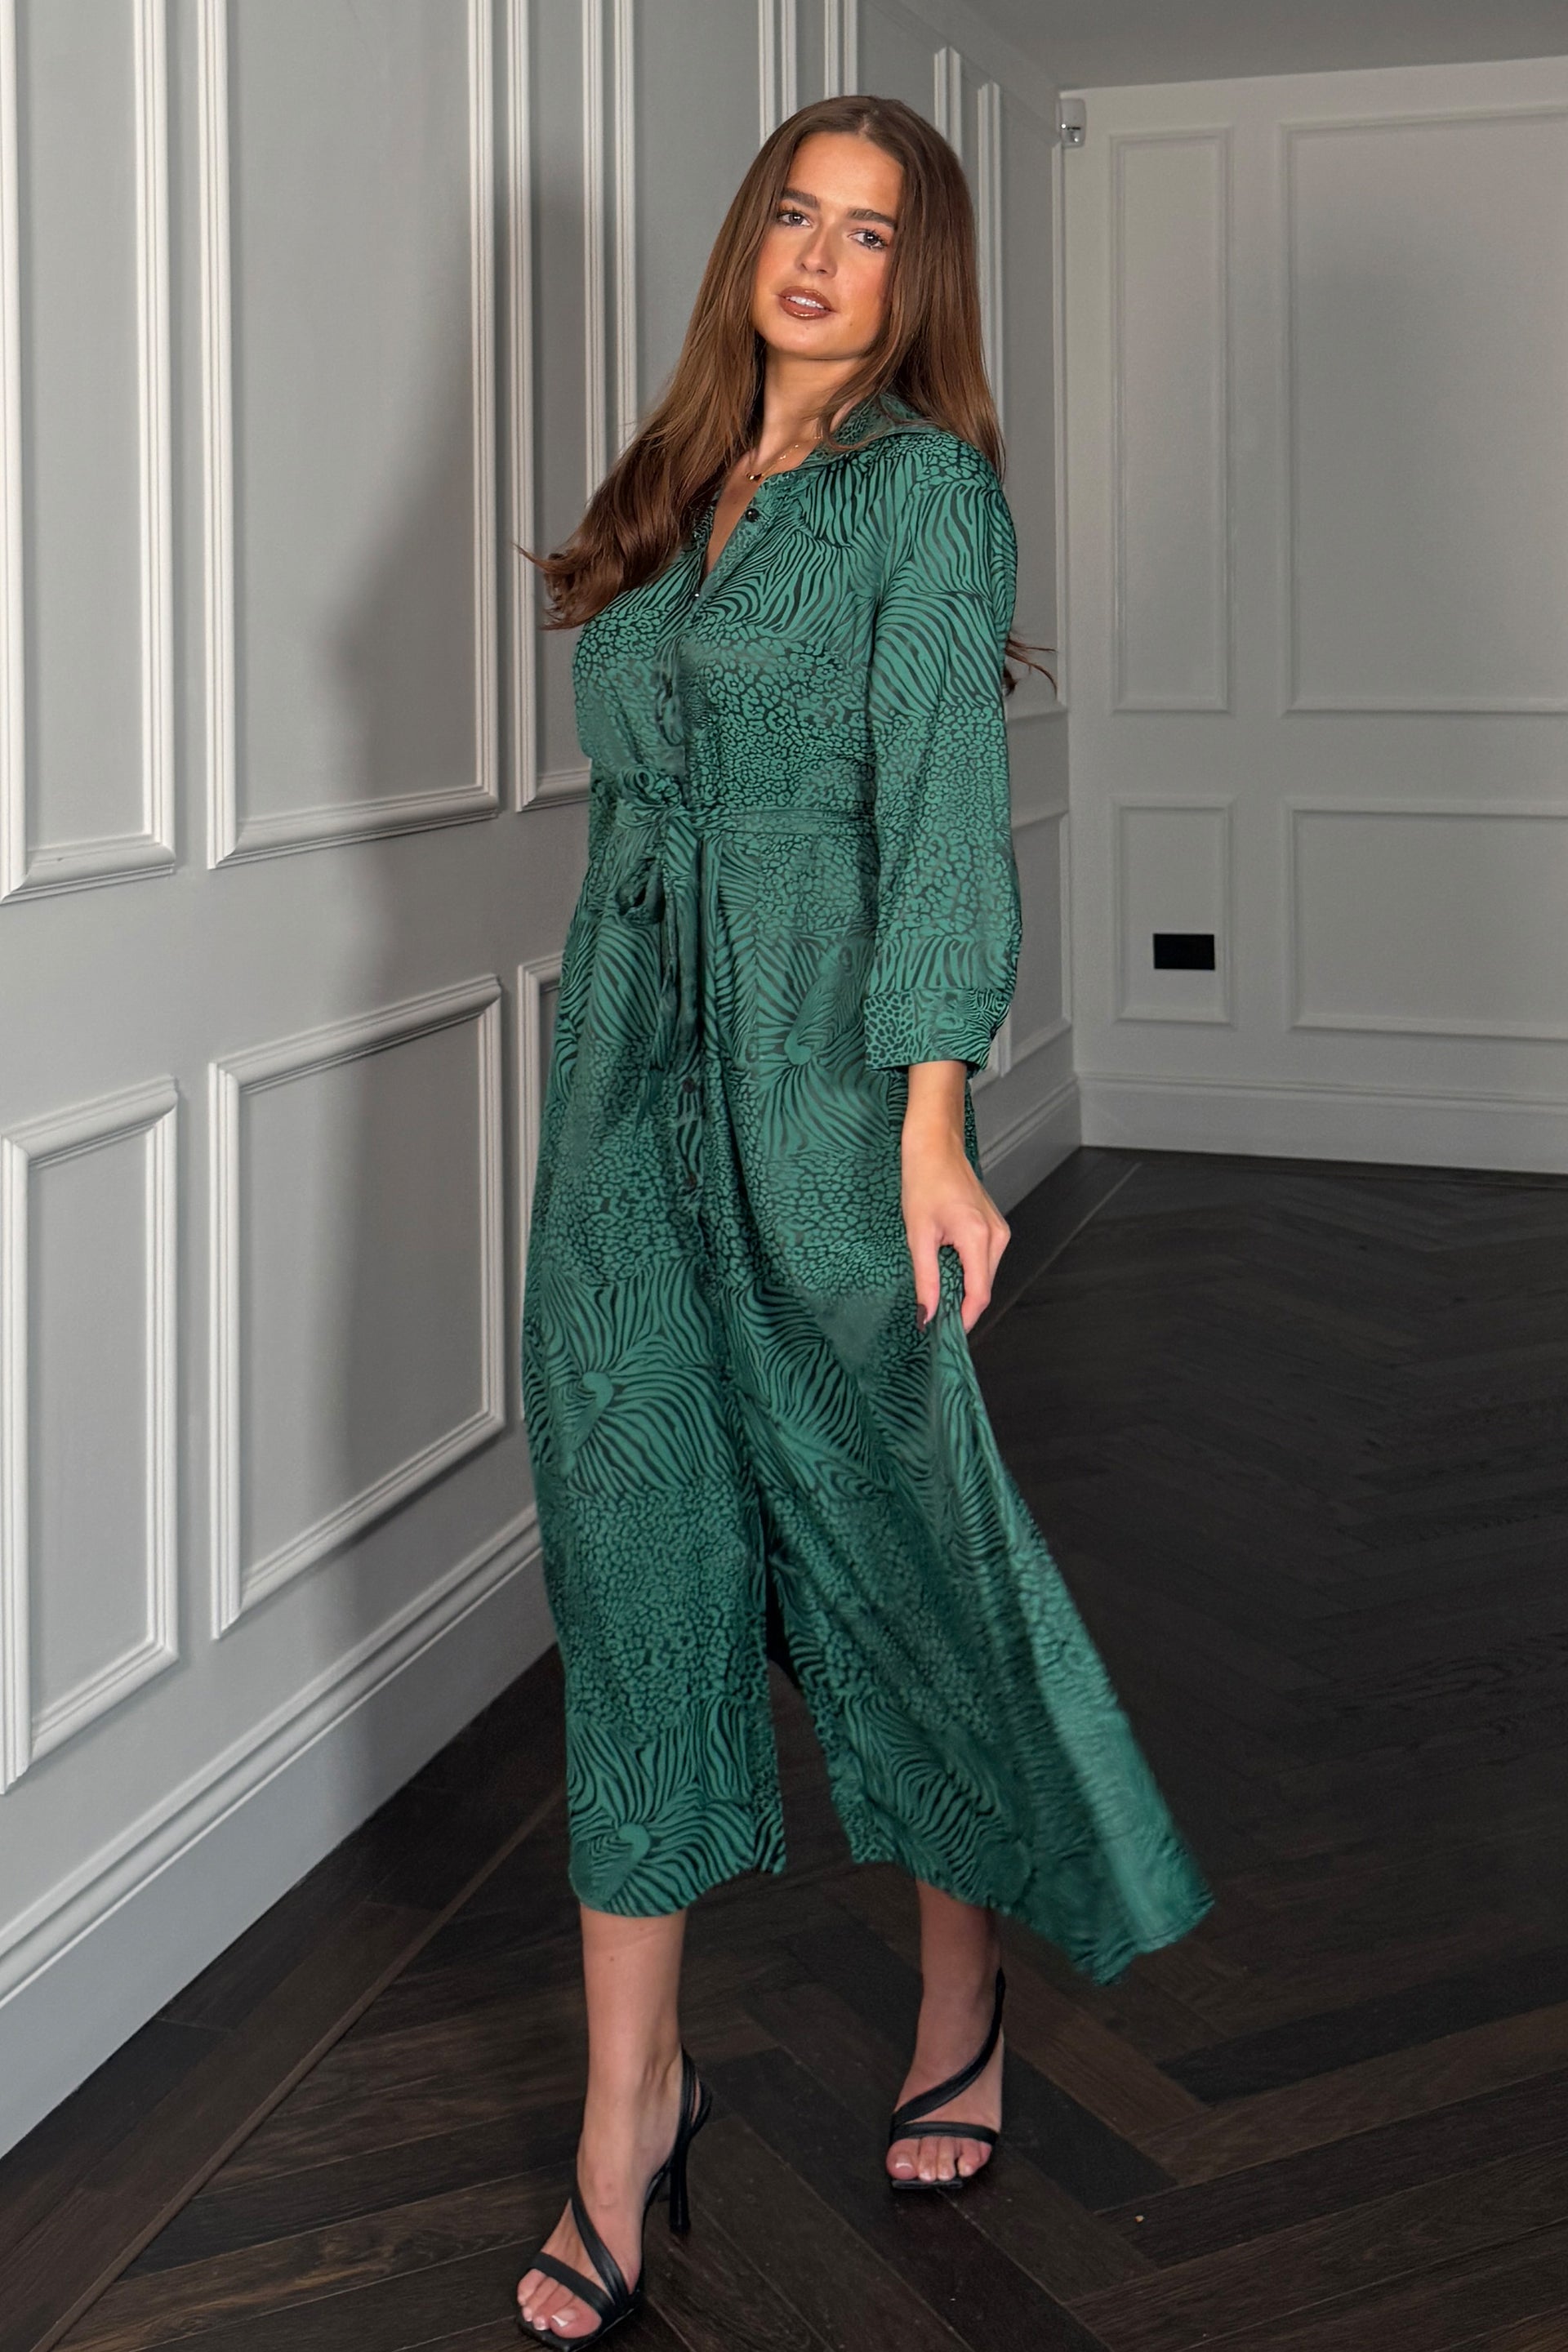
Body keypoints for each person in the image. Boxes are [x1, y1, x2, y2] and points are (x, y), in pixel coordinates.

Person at [514, 92, 1213, 2345]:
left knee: (896, 1542)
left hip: (827, 1079)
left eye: (873, 232)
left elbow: (939, 811)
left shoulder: (925, 495)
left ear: (923, 279)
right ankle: (630, 2107)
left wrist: (933, 1123)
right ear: (751, 242)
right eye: (795, 218)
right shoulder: (673, 480)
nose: (821, 259)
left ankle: (961, 1983)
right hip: (627, 1086)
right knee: (631, 1553)